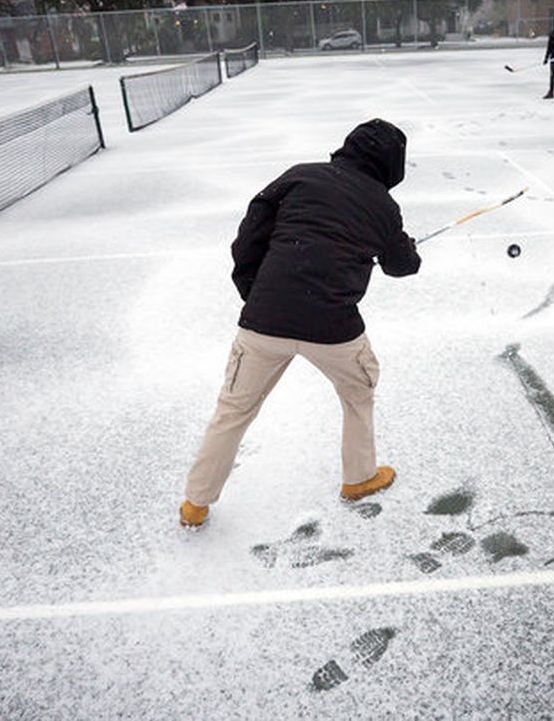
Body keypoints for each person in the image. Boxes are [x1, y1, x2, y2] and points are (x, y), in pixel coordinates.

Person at [180, 119, 422, 528]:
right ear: (391, 163)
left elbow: (248, 236)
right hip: (333, 328)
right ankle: (359, 478)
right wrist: (405, 247)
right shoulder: (383, 205)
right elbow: (402, 267)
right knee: (358, 391)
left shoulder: (299, 176)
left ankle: (195, 505)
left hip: (264, 322)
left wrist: (255, 292)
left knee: (233, 409)